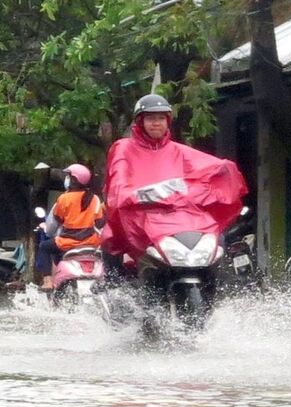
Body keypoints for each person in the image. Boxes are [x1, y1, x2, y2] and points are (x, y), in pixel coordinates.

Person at [101, 94, 246, 277]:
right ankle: (115, 289)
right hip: (141, 214)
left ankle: (216, 292)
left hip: (183, 216)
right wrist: (135, 195)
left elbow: (209, 169)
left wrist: (225, 172)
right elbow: (118, 181)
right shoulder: (124, 148)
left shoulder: (179, 151)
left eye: (161, 118)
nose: (156, 123)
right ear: (140, 121)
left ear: (168, 121)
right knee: (110, 237)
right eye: (151, 118)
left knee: (217, 238)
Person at [38, 163, 104, 285]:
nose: (66, 179)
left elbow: (52, 226)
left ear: (74, 180)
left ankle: (47, 282)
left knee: (44, 247)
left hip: (67, 243)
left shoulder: (64, 199)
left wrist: (47, 230)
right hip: (91, 243)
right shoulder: (95, 199)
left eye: (68, 176)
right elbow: (99, 223)